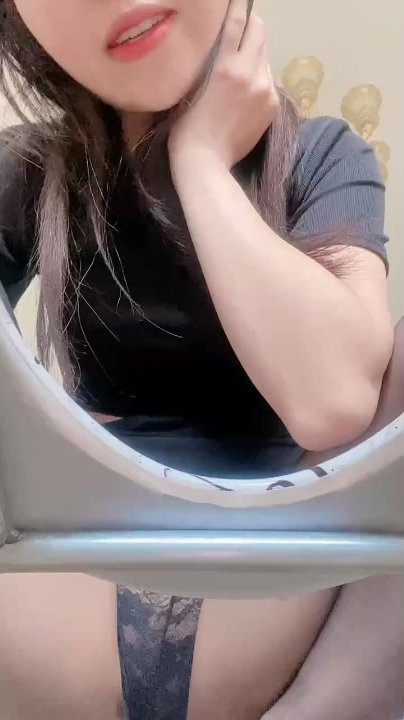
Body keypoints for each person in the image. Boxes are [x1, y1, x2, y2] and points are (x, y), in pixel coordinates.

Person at [0, 0, 401, 718]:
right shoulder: (31, 173)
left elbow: (334, 403)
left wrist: (201, 162)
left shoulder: (323, 156)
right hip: (69, 590)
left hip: (286, 591)